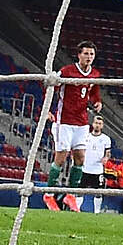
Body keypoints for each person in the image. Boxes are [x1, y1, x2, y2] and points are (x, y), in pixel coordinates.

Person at [44, 40, 102, 211]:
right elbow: (51, 87)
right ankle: (49, 195)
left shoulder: (95, 74)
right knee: (61, 157)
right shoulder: (67, 71)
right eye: (86, 53)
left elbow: (94, 93)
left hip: (82, 122)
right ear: (79, 55)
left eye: (91, 54)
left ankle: (70, 195)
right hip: (64, 121)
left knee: (80, 158)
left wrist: (97, 102)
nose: (89, 57)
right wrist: (47, 109)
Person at [76, 114, 112, 212]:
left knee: (98, 192)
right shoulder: (86, 136)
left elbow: (108, 152)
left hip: (97, 169)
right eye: (96, 123)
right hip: (85, 168)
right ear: (93, 124)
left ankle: (97, 212)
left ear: (102, 126)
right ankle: (77, 209)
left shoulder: (106, 139)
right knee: (80, 191)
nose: (97, 125)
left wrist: (106, 158)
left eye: (99, 124)